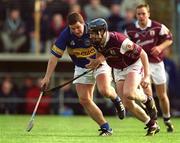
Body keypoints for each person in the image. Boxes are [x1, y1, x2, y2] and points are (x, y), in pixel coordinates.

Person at [40, 12, 125, 136]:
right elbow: (54, 57)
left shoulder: (93, 30)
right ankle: (105, 127)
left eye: (78, 27)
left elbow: (106, 48)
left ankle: (116, 100)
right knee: (84, 99)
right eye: (72, 28)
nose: (76, 31)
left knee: (105, 91)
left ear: (83, 23)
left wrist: (98, 61)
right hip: (81, 67)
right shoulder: (65, 34)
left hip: (99, 64)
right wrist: (46, 77)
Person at [86, 18, 159, 136]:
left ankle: (147, 99)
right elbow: (103, 54)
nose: (91, 36)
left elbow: (143, 54)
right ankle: (151, 124)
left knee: (129, 93)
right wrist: (97, 61)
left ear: (102, 31)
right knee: (127, 103)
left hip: (133, 65)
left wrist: (146, 76)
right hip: (118, 69)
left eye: (93, 33)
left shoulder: (120, 40)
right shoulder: (96, 42)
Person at [124, 4, 174, 132]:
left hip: (157, 64)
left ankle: (167, 119)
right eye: (138, 14)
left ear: (148, 14)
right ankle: (154, 121)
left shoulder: (158, 27)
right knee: (148, 95)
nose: (141, 16)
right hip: (140, 65)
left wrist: (160, 47)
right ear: (136, 15)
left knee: (162, 95)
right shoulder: (130, 31)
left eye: (143, 13)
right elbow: (125, 48)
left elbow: (169, 39)